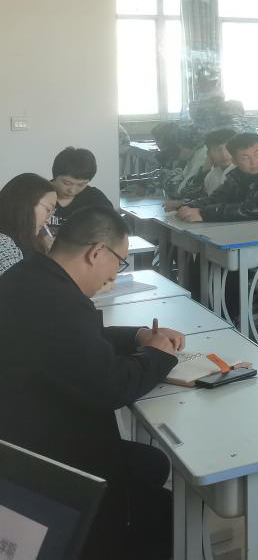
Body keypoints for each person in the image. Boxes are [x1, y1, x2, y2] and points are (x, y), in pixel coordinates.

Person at [0, 208, 185, 560]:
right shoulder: (62, 304)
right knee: (165, 511)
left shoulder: (28, 275)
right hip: (52, 459)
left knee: (152, 463)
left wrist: (138, 336)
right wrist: (158, 356)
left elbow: (76, 341)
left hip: (21, 437)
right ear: (97, 252)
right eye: (119, 262)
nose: (114, 274)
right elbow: (113, 387)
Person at [175, 132, 258, 231]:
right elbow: (217, 198)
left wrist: (204, 214)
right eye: (245, 157)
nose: (254, 162)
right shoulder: (238, 174)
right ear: (234, 161)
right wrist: (189, 206)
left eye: (257, 154)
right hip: (251, 230)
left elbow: (252, 209)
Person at [47, 147, 113, 237]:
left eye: (81, 185)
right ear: (55, 176)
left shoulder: (95, 198)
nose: (72, 190)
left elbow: (113, 228)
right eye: (67, 183)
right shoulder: (38, 194)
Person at [0, 173, 57, 274]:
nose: (47, 220)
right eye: (48, 209)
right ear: (27, 202)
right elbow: (19, 282)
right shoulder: (3, 244)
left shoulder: (29, 241)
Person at [200, 128, 237, 197]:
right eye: (217, 150)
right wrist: (205, 171)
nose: (224, 154)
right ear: (209, 153)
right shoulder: (210, 177)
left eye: (228, 148)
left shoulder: (245, 173)